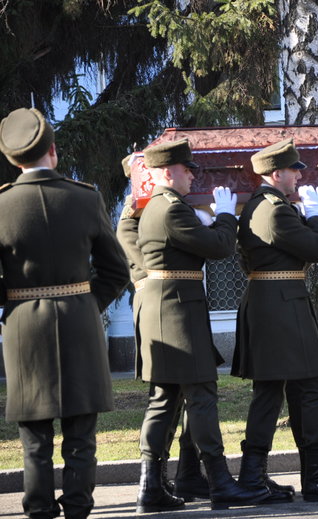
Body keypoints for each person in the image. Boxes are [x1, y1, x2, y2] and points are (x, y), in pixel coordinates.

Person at [0, 107, 129, 519]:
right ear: (53, 152)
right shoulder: (85, 197)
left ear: (13, 159)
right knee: (80, 430)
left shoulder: (2, 205)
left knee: (34, 436)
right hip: (79, 321)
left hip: (23, 326)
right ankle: (77, 509)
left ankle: (38, 511)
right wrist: (89, 303)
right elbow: (116, 270)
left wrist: (11, 307)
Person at [135, 138, 269, 512]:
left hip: (169, 310)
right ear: (166, 172)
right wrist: (226, 216)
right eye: (186, 169)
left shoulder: (162, 207)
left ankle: (151, 488)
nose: (193, 175)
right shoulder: (170, 209)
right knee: (201, 394)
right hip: (177, 313)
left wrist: (205, 224)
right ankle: (220, 482)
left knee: (166, 399)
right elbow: (221, 248)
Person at [231, 137, 318, 502]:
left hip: (276, 302)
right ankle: (307, 474)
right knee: (310, 386)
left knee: (280, 390)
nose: (298, 177)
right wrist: (317, 215)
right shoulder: (275, 209)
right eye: (293, 171)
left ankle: (264, 475)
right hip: (280, 305)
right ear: (277, 173)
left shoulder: (263, 205)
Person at [116, 155, 210, 503]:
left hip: (171, 300)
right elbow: (137, 255)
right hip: (162, 303)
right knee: (171, 394)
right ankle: (155, 481)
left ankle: (185, 474)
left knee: (179, 395)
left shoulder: (154, 207)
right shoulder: (138, 210)